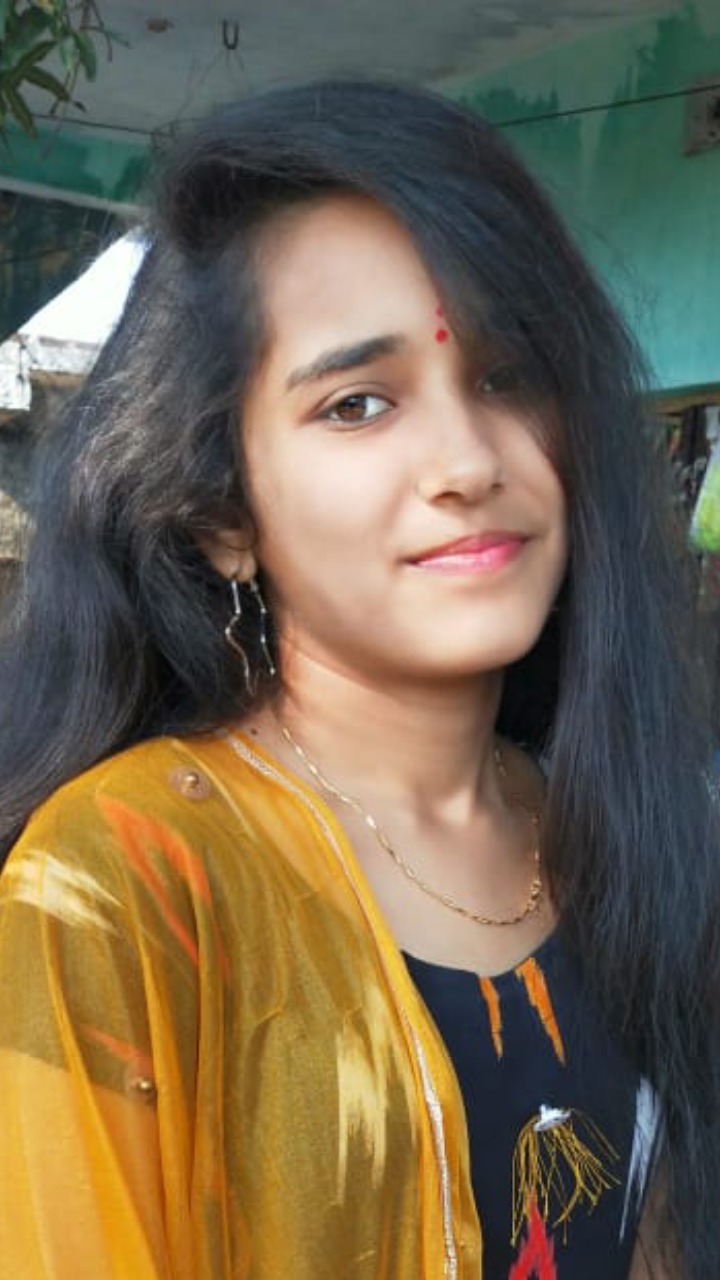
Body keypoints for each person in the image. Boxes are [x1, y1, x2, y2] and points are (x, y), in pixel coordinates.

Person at [0, 79, 717, 1280]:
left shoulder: (630, 835)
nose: (468, 460)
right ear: (225, 514)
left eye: (505, 376)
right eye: (359, 402)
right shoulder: (118, 885)